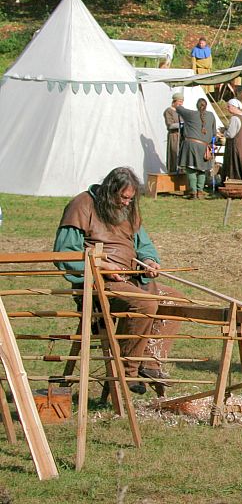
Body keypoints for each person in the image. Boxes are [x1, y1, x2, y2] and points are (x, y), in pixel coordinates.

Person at [54, 167, 186, 395]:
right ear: (109, 191)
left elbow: (144, 245)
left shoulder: (127, 211)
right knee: (144, 303)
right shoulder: (82, 205)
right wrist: (101, 267)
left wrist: (149, 261)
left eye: (130, 199)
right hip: (97, 284)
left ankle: (150, 363)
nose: (126, 203)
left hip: (131, 279)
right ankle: (126, 371)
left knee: (175, 300)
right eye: (123, 197)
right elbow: (64, 253)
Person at [176, 97, 215, 199]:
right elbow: (214, 132)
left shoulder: (191, 114)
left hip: (191, 145)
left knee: (190, 168)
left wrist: (178, 102)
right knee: (202, 169)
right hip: (204, 146)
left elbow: (179, 108)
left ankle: (193, 191)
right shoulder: (211, 115)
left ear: (197, 106)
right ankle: (200, 191)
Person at [221, 99, 242, 181]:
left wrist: (223, 132)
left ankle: (235, 182)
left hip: (237, 146)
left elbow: (230, 134)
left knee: (236, 164)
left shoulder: (235, 118)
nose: (227, 108)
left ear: (234, 107)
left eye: (228, 106)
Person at [163, 92, 183, 174]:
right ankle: (173, 173)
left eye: (182, 101)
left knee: (182, 156)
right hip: (174, 136)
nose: (181, 103)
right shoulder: (168, 111)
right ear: (174, 101)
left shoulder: (181, 111)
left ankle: (181, 173)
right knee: (174, 155)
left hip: (182, 136)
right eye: (179, 101)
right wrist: (181, 125)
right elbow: (170, 125)